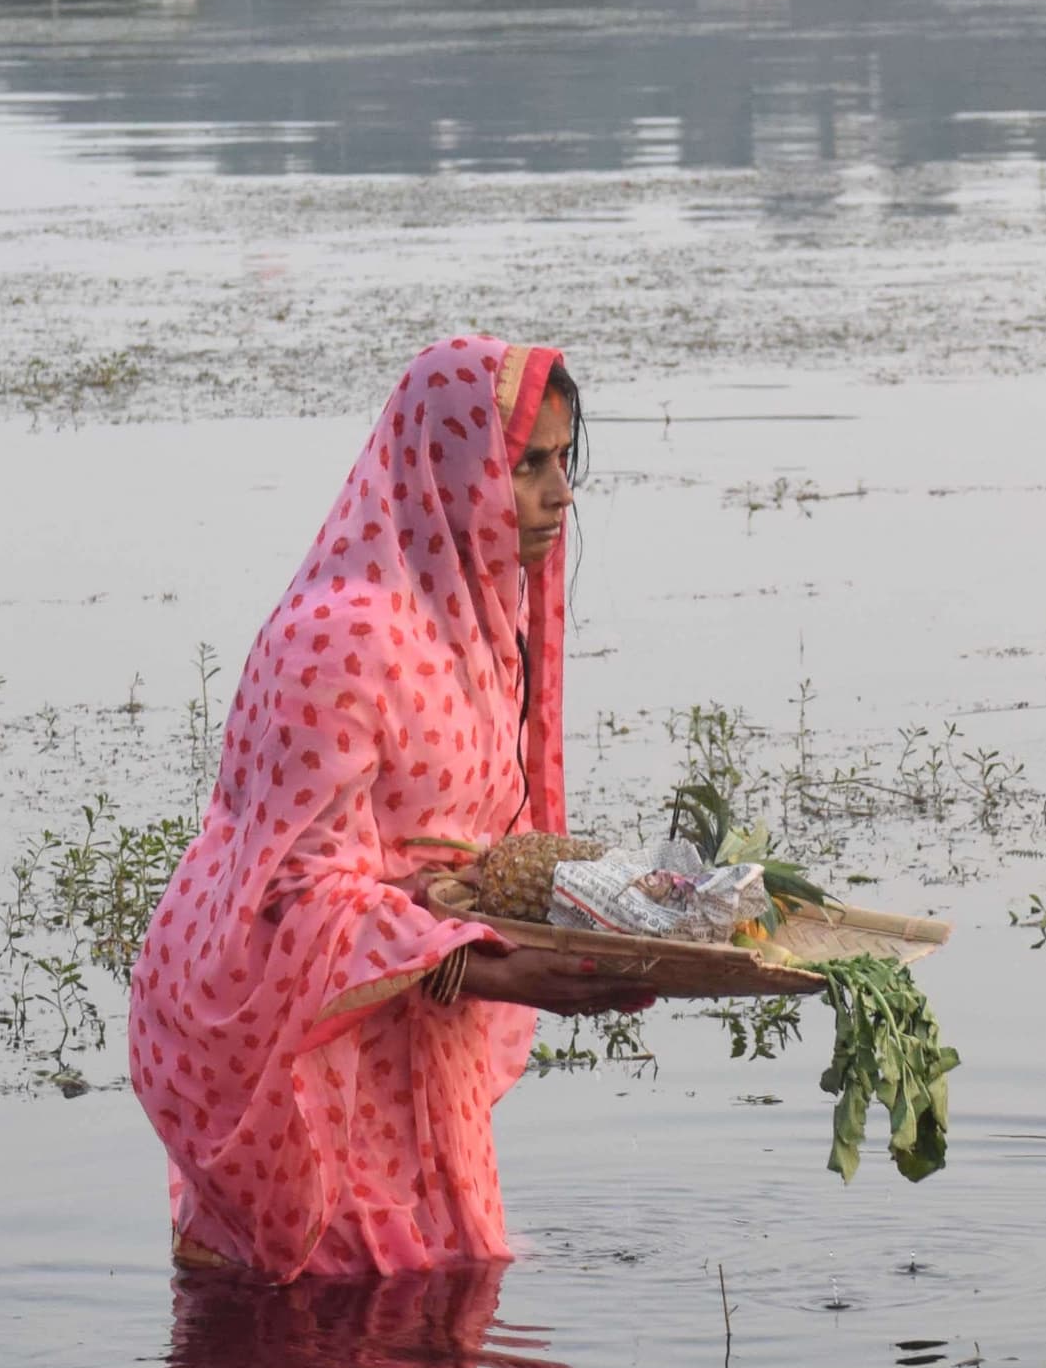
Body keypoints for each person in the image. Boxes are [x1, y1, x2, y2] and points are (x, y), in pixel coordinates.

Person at [127, 336, 655, 1282]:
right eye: (524, 464)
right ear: (448, 470)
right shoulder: (336, 638)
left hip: (424, 1050)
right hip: (320, 1074)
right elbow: (288, 894)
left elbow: (473, 856)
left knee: (443, 1333)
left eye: (561, 462)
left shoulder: (480, 629)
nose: (558, 493)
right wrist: (502, 972)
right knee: (322, 1348)